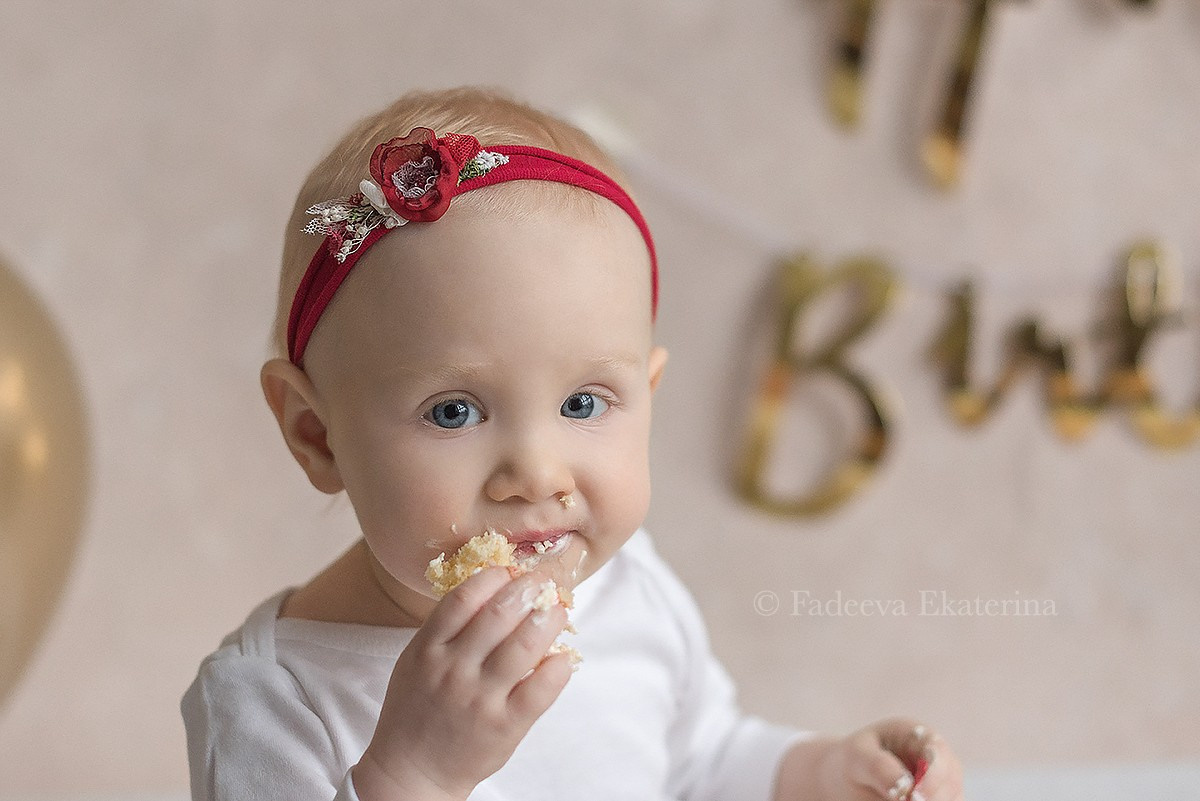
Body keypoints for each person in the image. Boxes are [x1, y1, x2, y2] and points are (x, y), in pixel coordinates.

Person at [181, 86, 964, 801]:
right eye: (453, 412)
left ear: (647, 399)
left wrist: (823, 772)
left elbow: (700, 759)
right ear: (316, 434)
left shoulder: (631, 591)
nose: (537, 473)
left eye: (584, 402)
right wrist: (412, 773)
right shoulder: (272, 701)